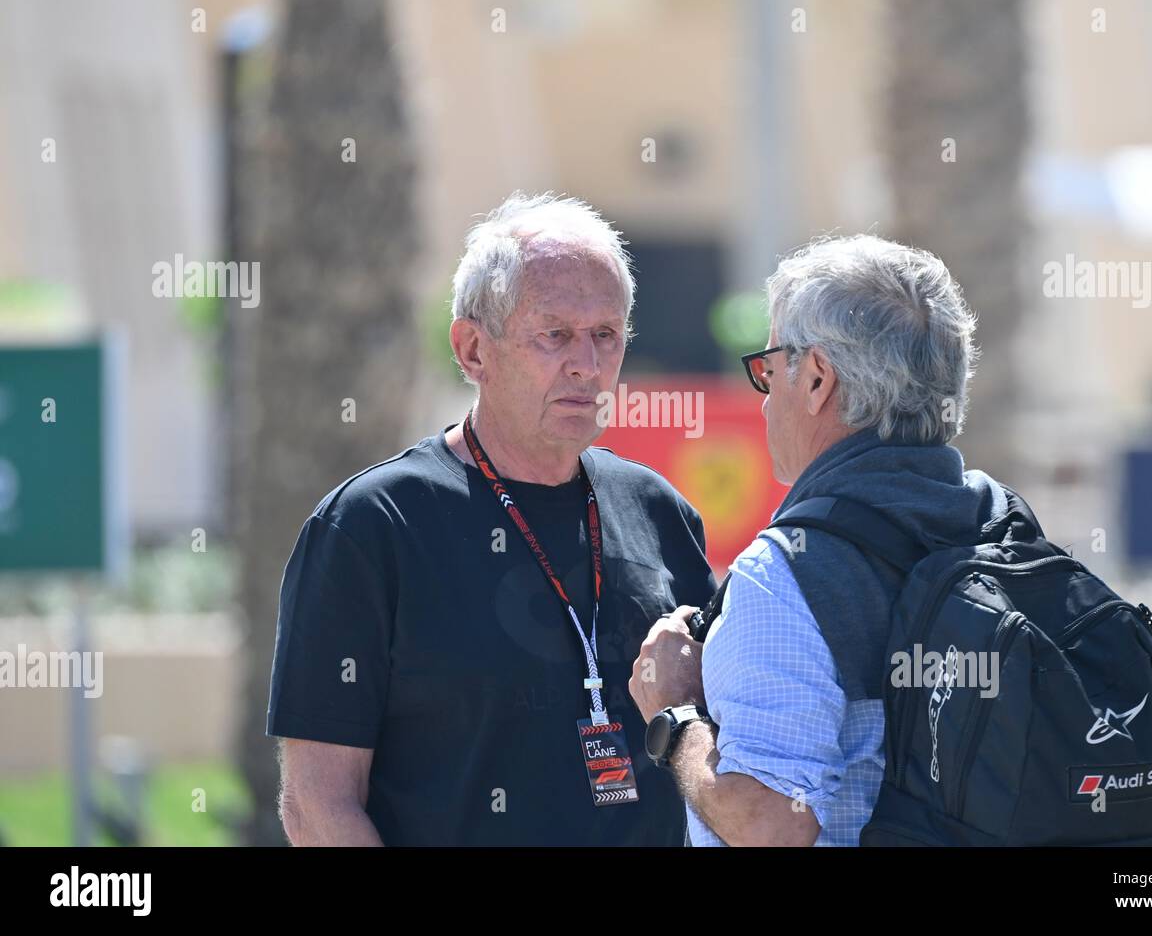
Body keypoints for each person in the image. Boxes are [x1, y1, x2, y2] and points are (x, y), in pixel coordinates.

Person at [268, 192, 716, 845]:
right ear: (473, 349)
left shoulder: (659, 512)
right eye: (554, 334)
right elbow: (317, 807)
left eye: (606, 335)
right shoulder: (372, 526)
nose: (587, 366)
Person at [630, 234, 1009, 846]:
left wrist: (676, 717)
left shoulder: (785, 575)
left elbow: (773, 828)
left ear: (815, 379)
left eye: (768, 368)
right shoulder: (1003, 523)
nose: (763, 396)